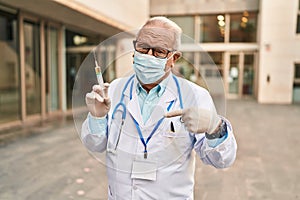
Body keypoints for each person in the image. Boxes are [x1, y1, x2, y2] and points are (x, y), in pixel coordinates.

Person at [81, 16, 237, 200]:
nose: (148, 56)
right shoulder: (114, 90)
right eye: (143, 48)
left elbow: (222, 160)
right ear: (134, 49)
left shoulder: (194, 96)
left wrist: (215, 127)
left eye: (159, 52)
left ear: (174, 58)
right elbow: (95, 144)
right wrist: (97, 118)